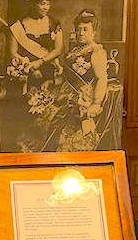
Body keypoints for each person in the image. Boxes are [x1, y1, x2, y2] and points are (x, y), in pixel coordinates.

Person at [52, 9, 123, 151]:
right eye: (78, 30)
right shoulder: (73, 51)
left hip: (84, 99)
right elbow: (65, 76)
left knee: (75, 140)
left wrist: (96, 103)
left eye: (85, 30)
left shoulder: (96, 52)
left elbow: (102, 79)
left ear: (94, 32)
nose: (81, 33)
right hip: (66, 97)